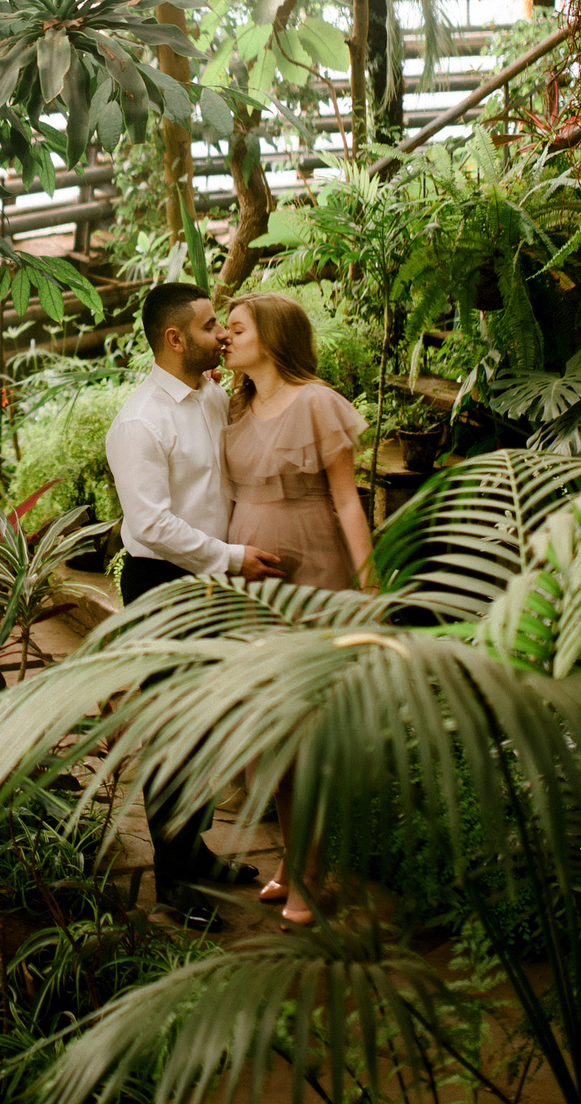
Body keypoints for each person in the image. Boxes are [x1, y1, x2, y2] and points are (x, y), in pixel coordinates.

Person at [103, 281, 283, 919]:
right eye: (212, 327)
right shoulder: (139, 422)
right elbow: (149, 525)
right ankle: (173, 880)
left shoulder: (212, 396)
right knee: (173, 731)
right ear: (175, 339)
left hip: (214, 582)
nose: (223, 334)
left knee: (206, 726)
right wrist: (233, 558)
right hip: (163, 587)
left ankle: (195, 848)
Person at [219, 290, 369, 926]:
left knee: (305, 731)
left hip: (313, 569)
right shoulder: (235, 408)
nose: (224, 338)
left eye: (235, 327)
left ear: (272, 336)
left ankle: (311, 871)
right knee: (263, 734)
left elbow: (347, 500)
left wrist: (368, 587)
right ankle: (290, 857)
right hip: (249, 575)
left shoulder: (315, 402)